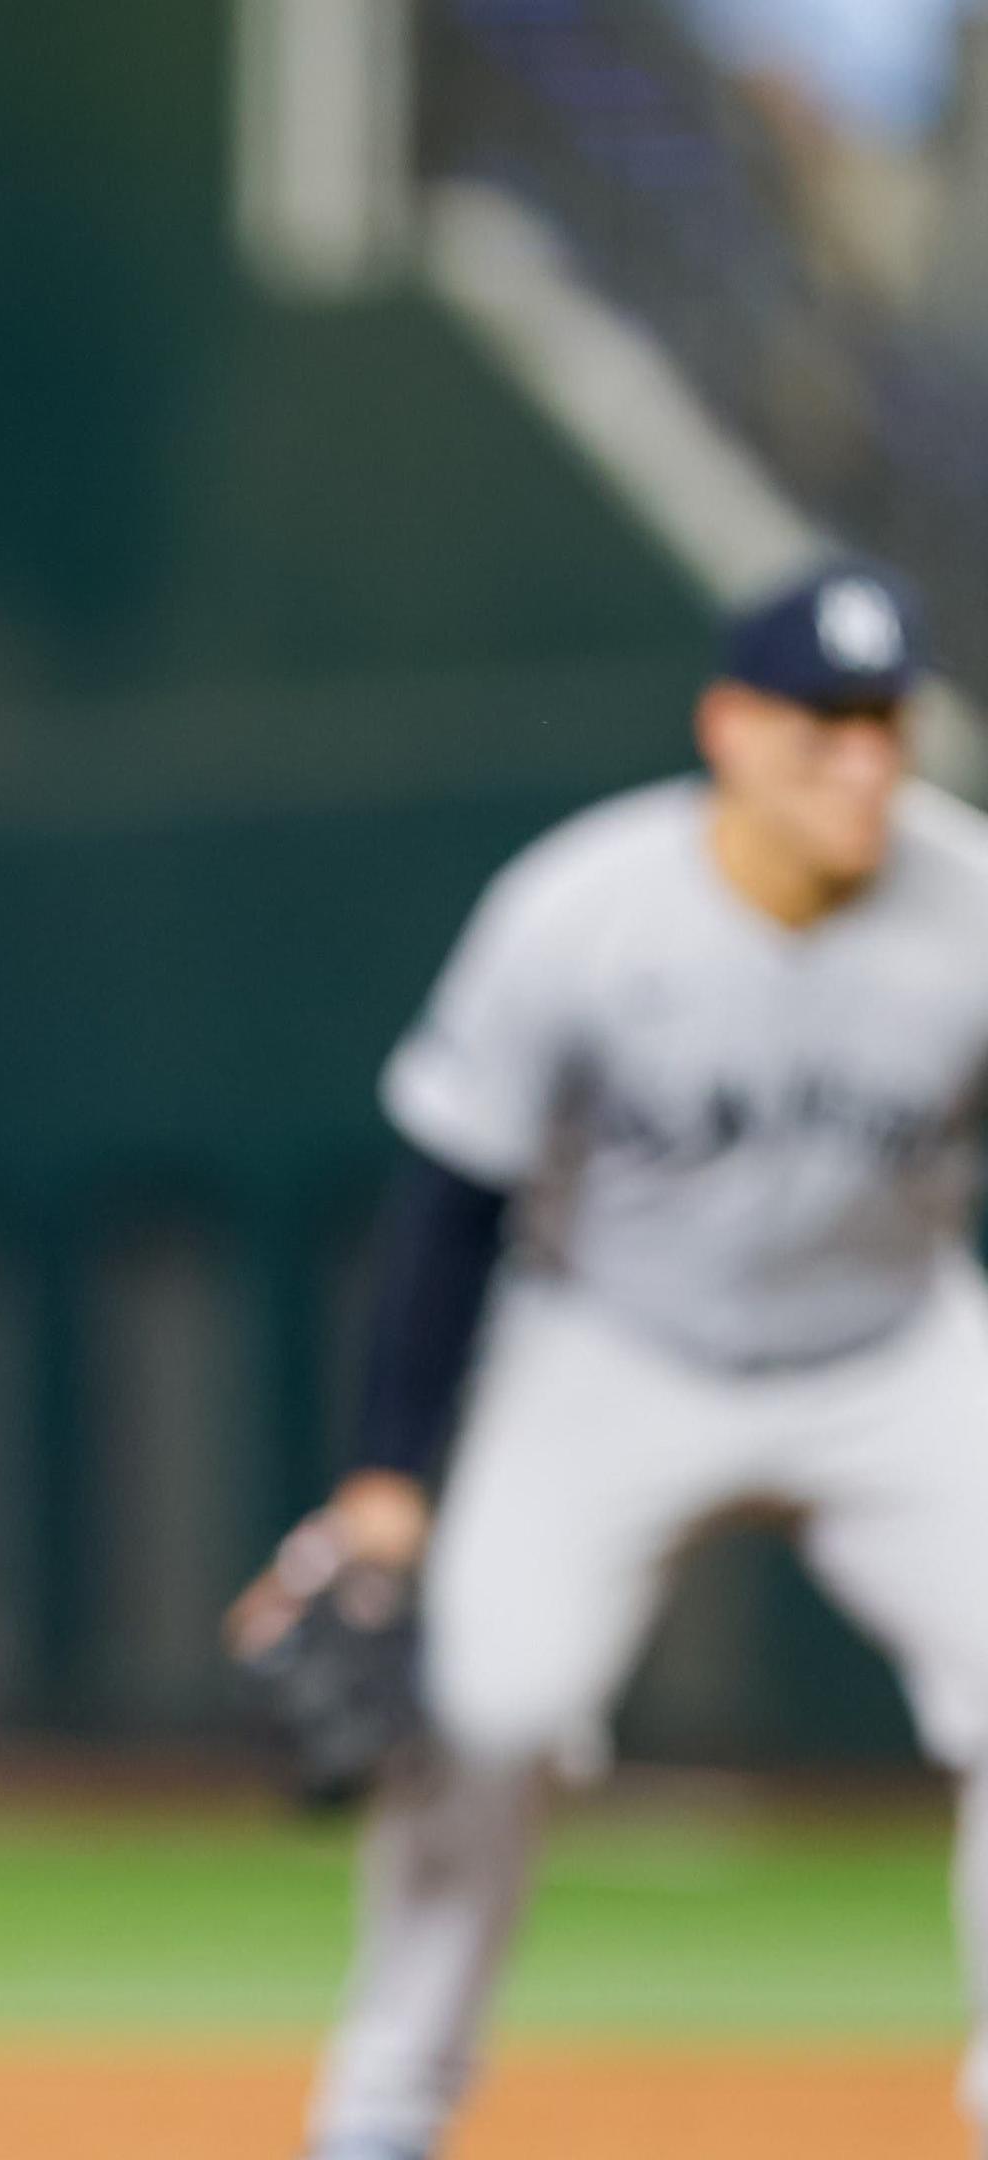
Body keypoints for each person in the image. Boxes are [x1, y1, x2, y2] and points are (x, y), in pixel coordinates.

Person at [228, 560, 988, 2160]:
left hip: (893, 1353)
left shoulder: (970, 902)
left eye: (884, 724)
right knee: (489, 1709)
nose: (862, 763)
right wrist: (384, 1485)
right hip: (614, 1359)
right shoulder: (582, 908)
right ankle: (383, 2106)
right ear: (728, 726)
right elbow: (448, 1203)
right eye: (822, 726)